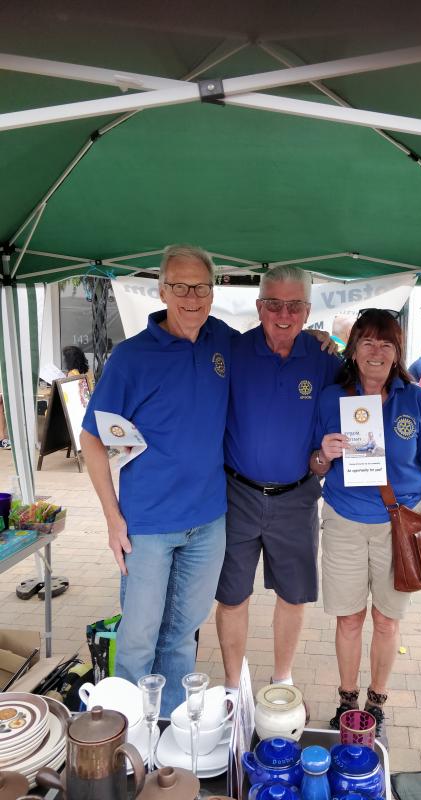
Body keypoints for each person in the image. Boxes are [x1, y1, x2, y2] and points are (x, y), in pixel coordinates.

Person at [80, 244, 232, 715]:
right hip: (147, 525)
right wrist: (112, 518)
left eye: (201, 287)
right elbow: (91, 439)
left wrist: (322, 344)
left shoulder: (222, 341)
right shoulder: (131, 358)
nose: (192, 298)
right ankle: (126, 744)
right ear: (163, 290)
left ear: (213, 291)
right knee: (139, 639)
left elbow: (273, 348)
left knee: (182, 637)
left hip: (208, 522)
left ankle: (166, 733)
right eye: (180, 287)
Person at [312, 309, 421, 736]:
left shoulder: (416, 401)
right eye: (367, 342)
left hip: (400, 526)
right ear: (353, 348)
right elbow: (314, 467)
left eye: (386, 344)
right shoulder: (330, 398)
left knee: (388, 621)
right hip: (344, 521)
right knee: (349, 619)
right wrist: (325, 454)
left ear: (398, 353)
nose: (376, 352)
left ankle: (377, 701)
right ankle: (347, 701)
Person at [215, 265, 341, 696]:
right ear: (259, 306)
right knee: (232, 595)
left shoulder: (326, 359)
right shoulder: (232, 350)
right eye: (273, 304)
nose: (282, 315)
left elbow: (365, 388)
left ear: (307, 311)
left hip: (297, 498)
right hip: (237, 495)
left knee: (293, 594)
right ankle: (233, 686)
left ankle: (281, 680)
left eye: (293, 306)